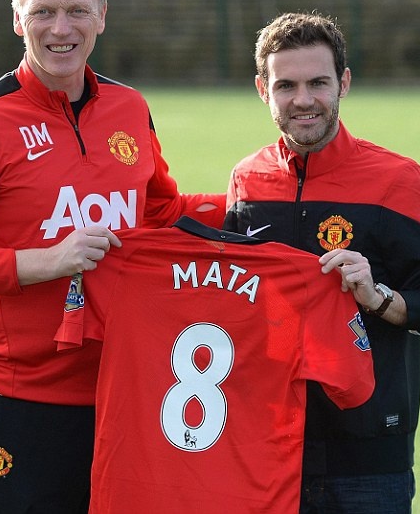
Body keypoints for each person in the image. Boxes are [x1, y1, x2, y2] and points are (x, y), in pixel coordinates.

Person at [0, 0, 224, 513]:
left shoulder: (130, 108)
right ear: (17, 19)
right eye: (44, 12)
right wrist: (48, 261)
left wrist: (253, 201)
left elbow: (159, 213)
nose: (61, 28)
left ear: (102, 15)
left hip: (126, 387)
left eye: (77, 10)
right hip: (22, 400)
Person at [223, 12, 420, 513]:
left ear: (344, 83)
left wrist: (377, 297)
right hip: (267, 450)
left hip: (369, 461)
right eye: (286, 85)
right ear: (263, 90)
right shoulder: (247, 179)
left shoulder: (397, 181)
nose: (303, 100)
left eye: (318, 83)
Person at [53, 216, 374, 512]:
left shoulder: (124, 261)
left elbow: (71, 338)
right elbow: (355, 388)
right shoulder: (301, 281)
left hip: (136, 496)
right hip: (249, 498)